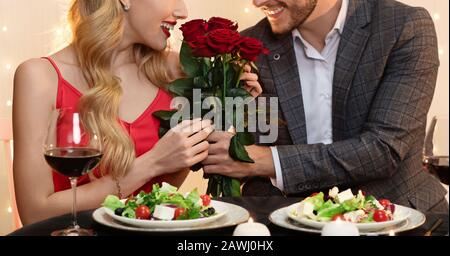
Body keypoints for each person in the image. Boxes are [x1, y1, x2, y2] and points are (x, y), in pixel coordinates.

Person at [12, 0, 262, 225]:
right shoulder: (40, 77)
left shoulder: (179, 72)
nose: (182, 11)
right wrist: (152, 163)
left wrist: (228, 109)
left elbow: (157, 201)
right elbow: (35, 214)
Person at [202, 0, 449, 214]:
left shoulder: (404, 26)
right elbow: (244, 165)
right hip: (288, 221)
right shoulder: (249, 47)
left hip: (397, 216)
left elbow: (383, 150)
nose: (257, 2)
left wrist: (265, 161)